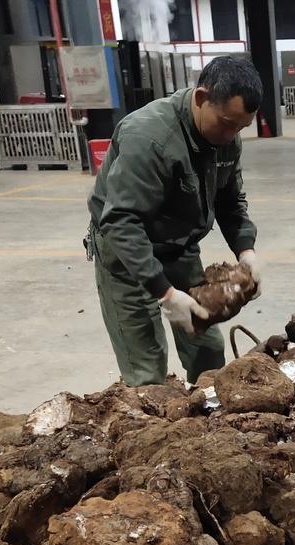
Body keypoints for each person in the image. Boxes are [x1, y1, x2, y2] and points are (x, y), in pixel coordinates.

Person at [87, 55, 263, 384]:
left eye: (241, 127)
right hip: (128, 252)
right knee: (147, 368)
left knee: (208, 347)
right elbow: (121, 221)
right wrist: (165, 294)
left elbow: (229, 200)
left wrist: (246, 250)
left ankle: (206, 420)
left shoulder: (225, 138)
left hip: (178, 246)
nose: (232, 134)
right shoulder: (149, 138)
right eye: (227, 123)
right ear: (201, 98)